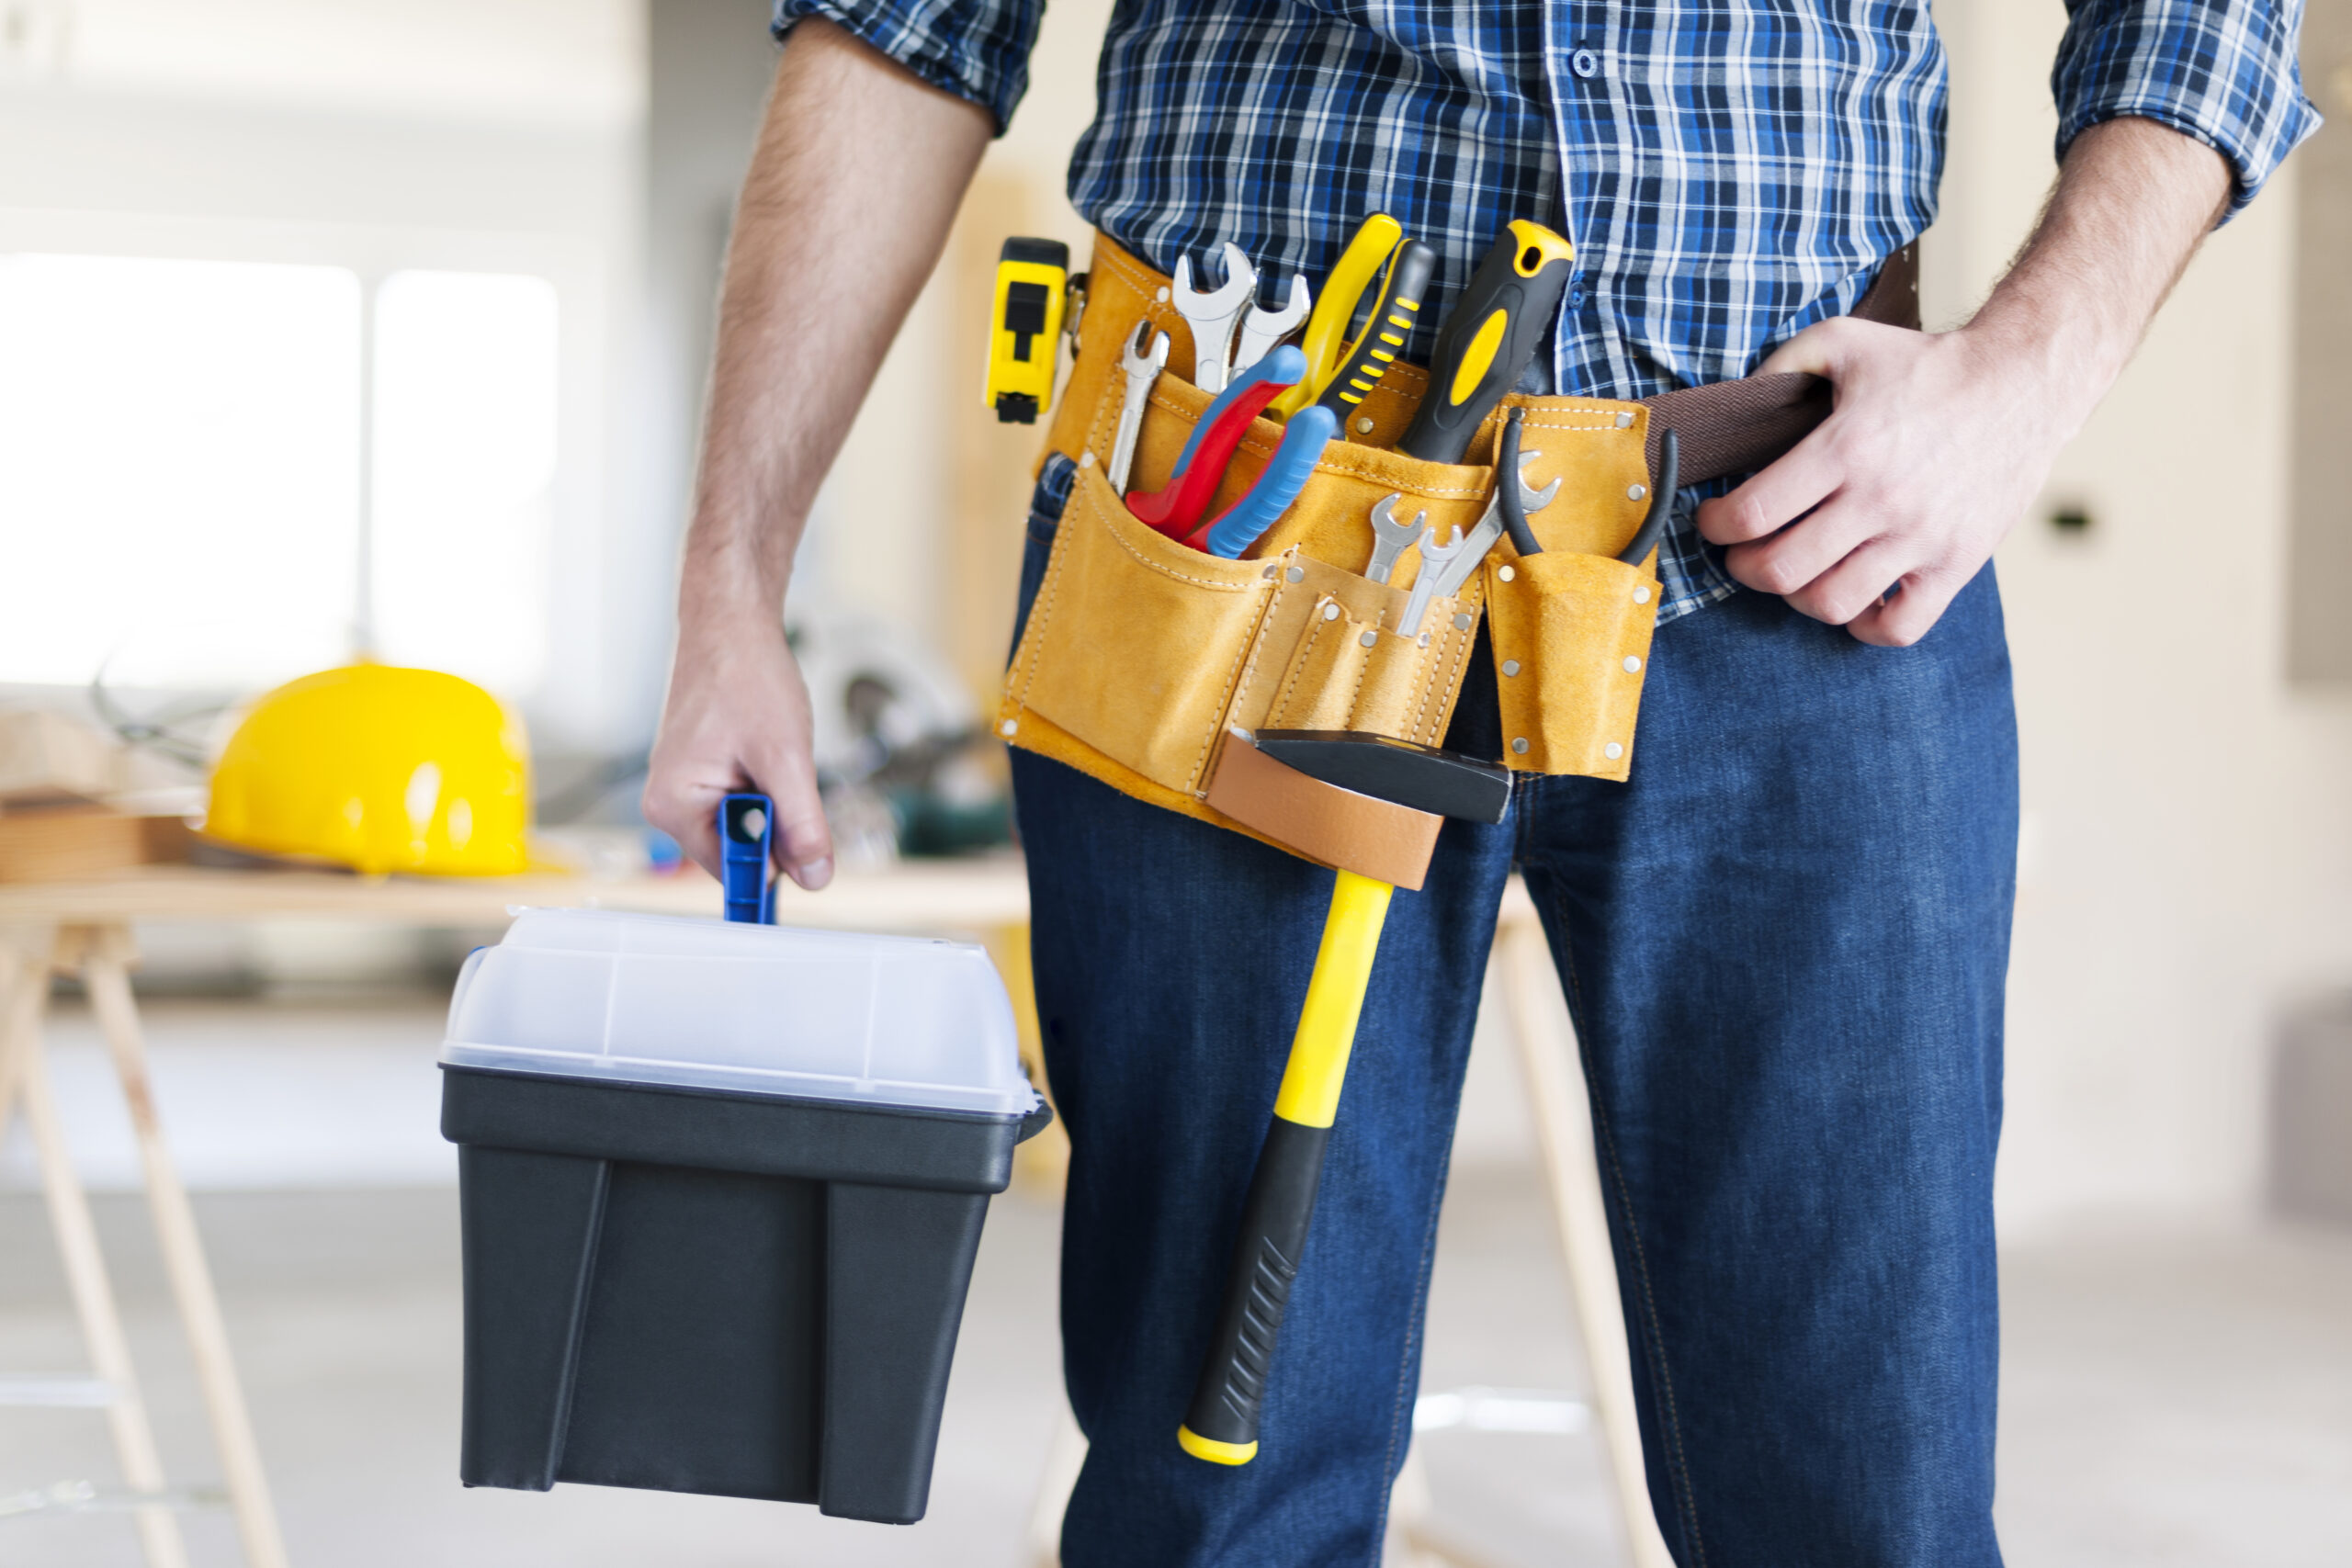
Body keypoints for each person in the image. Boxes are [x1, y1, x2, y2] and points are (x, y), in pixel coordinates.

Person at [644, 3, 2314, 1562]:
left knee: (1863, 1495)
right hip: (1233, 573)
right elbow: (904, 26)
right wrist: (730, 584)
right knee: (1221, 1487)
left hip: (1813, 554)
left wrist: (2026, 380)